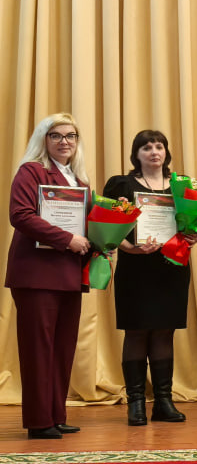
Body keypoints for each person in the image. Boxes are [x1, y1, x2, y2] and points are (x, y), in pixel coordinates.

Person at [104, 130, 197, 426]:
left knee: (164, 332)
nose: (154, 151)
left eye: (159, 146)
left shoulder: (182, 187)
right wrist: (129, 248)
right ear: (136, 154)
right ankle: (135, 403)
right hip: (136, 268)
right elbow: (107, 225)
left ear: (166, 152)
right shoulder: (121, 184)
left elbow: (191, 225)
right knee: (136, 332)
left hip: (171, 267)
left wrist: (193, 234)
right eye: (146, 147)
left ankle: (163, 402)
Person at [6, 114, 91, 439]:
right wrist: (67, 239)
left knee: (62, 348)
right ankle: (39, 421)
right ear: (43, 139)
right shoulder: (31, 171)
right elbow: (20, 215)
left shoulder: (79, 181)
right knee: (38, 349)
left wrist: (111, 229)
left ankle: (56, 414)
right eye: (56, 135)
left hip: (69, 274)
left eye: (70, 136)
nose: (64, 141)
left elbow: (90, 226)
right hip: (37, 274)